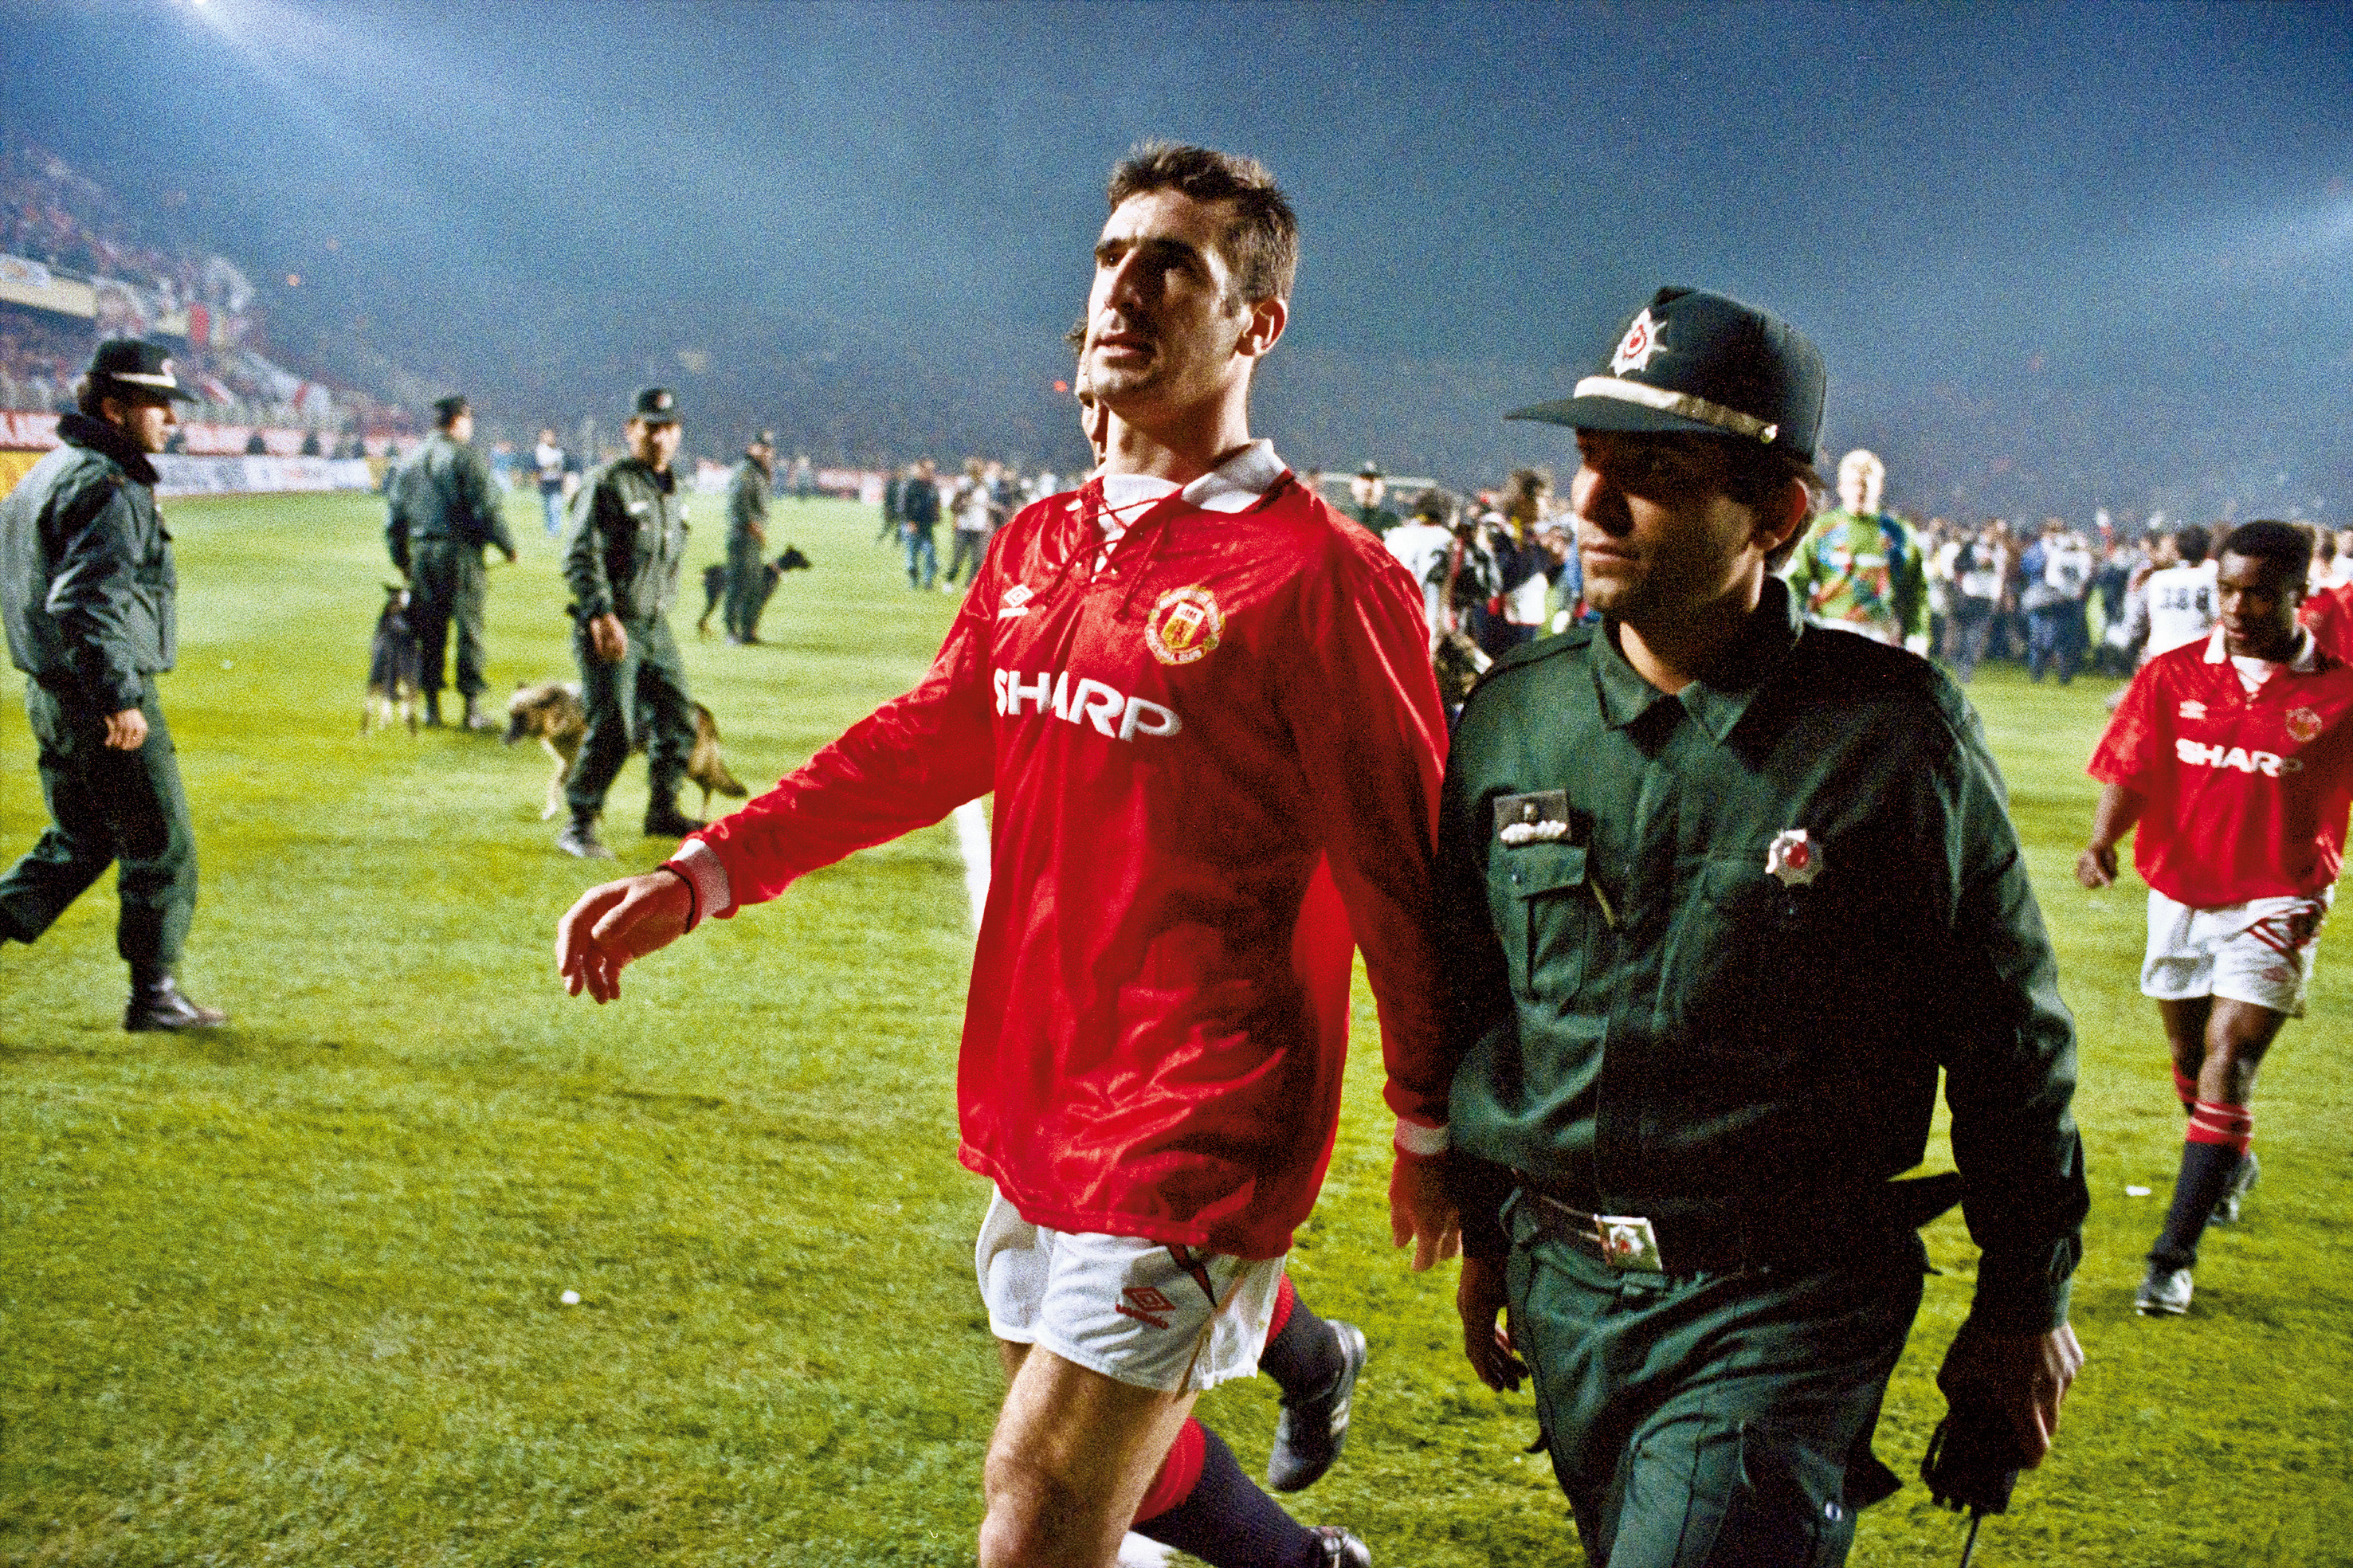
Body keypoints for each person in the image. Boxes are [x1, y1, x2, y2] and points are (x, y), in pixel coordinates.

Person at [555, 142, 1458, 1568]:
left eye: (1176, 264)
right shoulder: (1041, 539)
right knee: (1112, 1464)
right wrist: (703, 871)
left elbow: (1402, 872)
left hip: (1200, 1111)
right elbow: (929, 736)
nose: (1124, 287)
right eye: (1110, 257)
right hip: (1038, 1079)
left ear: (1254, 325)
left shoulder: (1319, 575)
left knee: (1032, 1509)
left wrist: (1427, 1120)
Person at [1441, 287, 2088, 1566]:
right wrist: (1485, 1228)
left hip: (1780, 1305)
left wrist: (2025, 1304)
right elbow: (1476, 998)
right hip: (1563, 1289)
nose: (1593, 506)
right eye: (1590, 464)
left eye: (1656, 476)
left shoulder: (1892, 736)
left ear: (1778, 515)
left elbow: (2006, 1037)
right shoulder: (1515, 717)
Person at [2077, 519, 2353, 1317]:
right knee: (2188, 1053)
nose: (2236, 607)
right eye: (2227, 590)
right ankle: (2228, 1158)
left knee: (2228, 1058)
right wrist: (2101, 842)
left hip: (2282, 892)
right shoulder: (2171, 675)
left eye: (2259, 593)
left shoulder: (2338, 693)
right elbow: (2132, 768)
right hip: (2182, 888)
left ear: (2301, 595)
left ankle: (2171, 1260)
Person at [0, 339, 227, 1030]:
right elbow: (85, 602)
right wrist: (119, 696)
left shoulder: (50, 470)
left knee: (83, 839)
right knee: (161, 838)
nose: (171, 419)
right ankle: (154, 996)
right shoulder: (109, 483)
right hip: (96, 693)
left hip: (52, 690)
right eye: (157, 404)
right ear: (113, 407)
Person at [556, 386, 706, 858]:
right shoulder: (608, 483)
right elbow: (581, 552)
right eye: (650, 429)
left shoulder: (673, 487)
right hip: (612, 623)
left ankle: (662, 810)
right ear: (631, 430)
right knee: (616, 726)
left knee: (680, 717)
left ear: (679, 433)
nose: (660, 439)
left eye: (668, 429)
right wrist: (600, 613)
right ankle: (579, 822)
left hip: (655, 626)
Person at [387, 394, 517, 730]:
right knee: (469, 629)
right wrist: (507, 546)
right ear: (459, 420)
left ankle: (432, 708)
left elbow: (395, 518)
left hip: (421, 553)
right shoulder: (465, 458)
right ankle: (471, 709)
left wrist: (401, 559)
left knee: (429, 629)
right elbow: (486, 508)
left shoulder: (411, 459)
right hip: (459, 554)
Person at [1785, 446, 1928, 650]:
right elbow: (1796, 582)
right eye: (1853, 484)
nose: (1859, 491)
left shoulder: (1900, 533)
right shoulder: (1820, 529)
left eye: (1866, 485)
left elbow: (1916, 591)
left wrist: (1917, 635)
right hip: (1829, 631)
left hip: (1879, 634)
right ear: (1840, 486)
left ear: (1879, 487)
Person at [724, 431, 774, 644]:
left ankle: (748, 632)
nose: (766, 452)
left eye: (768, 448)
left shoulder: (758, 472)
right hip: (742, 537)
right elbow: (740, 505)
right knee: (739, 585)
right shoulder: (745, 472)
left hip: (752, 539)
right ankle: (732, 633)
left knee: (753, 585)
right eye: (761, 447)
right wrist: (755, 528)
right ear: (750, 448)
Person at [944, 457, 994, 590]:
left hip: (980, 527)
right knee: (958, 558)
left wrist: (989, 521)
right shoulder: (964, 485)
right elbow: (953, 506)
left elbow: (987, 505)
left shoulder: (986, 486)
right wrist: (963, 504)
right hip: (964, 526)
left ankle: (969, 585)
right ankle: (949, 581)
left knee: (979, 558)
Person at [900, 457, 941, 590]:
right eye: (928, 469)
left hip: (926, 526)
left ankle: (927, 581)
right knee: (912, 559)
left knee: (930, 554)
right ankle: (914, 582)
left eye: (932, 470)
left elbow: (936, 503)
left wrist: (936, 515)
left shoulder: (932, 486)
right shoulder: (910, 485)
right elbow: (902, 506)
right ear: (921, 469)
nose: (931, 472)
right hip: (912, 525)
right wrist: (909, 522)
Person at [534, 427, 569, 539]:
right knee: (548, 507)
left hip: (557, 481)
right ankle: (550, 530)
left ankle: (555, 531)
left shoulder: (559, 450)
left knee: (556, 506)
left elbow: (563, 466)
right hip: (546, 481)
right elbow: (543, 464)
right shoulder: (541, 449)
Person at [1347, 462, 1398, 537]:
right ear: (1352, 486)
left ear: (1384, 488)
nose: (1368, 487)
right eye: (1363, 480)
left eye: (1373, 481)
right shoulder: (1342, 516)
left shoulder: (1391, 521)